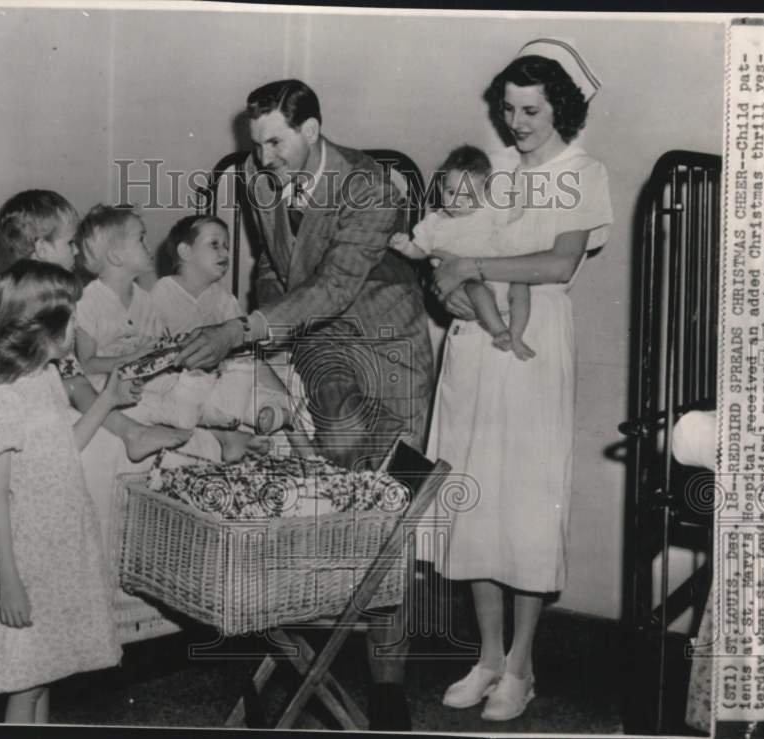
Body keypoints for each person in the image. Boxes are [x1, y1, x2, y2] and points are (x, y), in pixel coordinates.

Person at [175, 79, 435, 730]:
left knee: (387, 519)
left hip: (386, 353)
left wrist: (243, 330)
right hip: (318, 351)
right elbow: (272, 264)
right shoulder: (254, 178)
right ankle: (297, 657)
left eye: (276, 143)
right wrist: (271, 333)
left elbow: (335, 288)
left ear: (312, 132)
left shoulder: (371, 187)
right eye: (256, 143)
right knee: (313, 501)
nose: (263, 158)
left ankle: (388, 687)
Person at [424, 39, 612, 721]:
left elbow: (560, 265)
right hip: (474, 343)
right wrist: (448, 281)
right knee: (475, 500)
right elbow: (444, 248)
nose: (517, 121)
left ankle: (523, 666)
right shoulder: (493, 172)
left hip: (535, 341)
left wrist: (471, 266)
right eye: (508, 108)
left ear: (557, 106)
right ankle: (488, 656)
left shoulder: (583, 171)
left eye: (529, 109)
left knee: (528, 503)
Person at [0, 260, 123, 723]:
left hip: (63, 548)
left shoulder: (49, 379)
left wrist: (108, 401)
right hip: (29, 559)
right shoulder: (7, 395)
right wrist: (10, 582)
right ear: (41, 328)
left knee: (47, 669)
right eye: (71, 318)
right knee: (25, 680)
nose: (78, 326)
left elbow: (64, 449)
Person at [0, 189, 191, 460]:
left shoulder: (59, 286)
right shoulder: (11, 290)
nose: (77, 250)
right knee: (78, 383)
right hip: (11, 377)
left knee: (78, 379)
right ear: (42, 248)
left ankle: (137, 427)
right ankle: (132, 433)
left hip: (45, 372)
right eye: (70, 243)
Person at [73, 205, 271, 461]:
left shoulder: (144, 300)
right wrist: (134, 359)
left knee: (186, 384)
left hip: (143, 375)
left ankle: (227, 427)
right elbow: (86, 365)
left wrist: (170, 352)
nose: (147, 245)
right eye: (140, 238)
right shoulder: (89, 300)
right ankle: (214, 426)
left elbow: (155, 348)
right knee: (163, 398)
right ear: (115, 257)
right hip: (109, 382)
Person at [149, 214, 297, 437]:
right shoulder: (163, 292)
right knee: (185, 394)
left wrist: (279, 390)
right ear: (186, 252)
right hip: (184, 380)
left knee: (253, 374)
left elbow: (247, 356)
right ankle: (240, 429)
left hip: (223, 378)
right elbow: (150, 350)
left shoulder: (225, 299)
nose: (226, 253)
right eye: (215, 244)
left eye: (227, 246)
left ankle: (286, 409)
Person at [390, 144, 534, 359]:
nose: (458, 201)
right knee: (478, 291)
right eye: (451, 192)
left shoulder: (488, 212)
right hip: (468, 284)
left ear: (484, 194)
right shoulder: (434, 223)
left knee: (521, 287)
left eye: (469, 196)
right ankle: (500, 331)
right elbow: (421, 251)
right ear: (440, 188)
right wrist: (406, 247)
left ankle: (517, 335)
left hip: (499, 275)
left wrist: (520, 182)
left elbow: (515, 212)